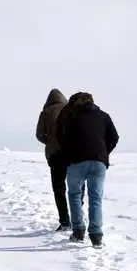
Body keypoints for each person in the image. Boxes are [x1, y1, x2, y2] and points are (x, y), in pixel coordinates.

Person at [58, 92, 119, 246]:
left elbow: (63, 139)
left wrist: (69, 155)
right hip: (99, 162)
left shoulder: (72, 118)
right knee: (96, 198)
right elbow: (114, 137)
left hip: (76, 161)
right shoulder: (104, 116)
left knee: (74, 194)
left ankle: (78, 231)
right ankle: (96, 235)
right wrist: (103, 152)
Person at [36, 89, 75, 232]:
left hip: (55, 155)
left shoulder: (46, 112)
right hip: (71, 154)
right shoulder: (70, 110)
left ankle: (65, 221)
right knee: (75, 188)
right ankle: (77, 217)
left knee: (59, 189)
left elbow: (39, 134)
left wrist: (50, 141)